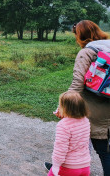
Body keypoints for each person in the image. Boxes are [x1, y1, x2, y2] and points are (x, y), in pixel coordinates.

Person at [47, 20, 110, 175]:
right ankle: (68, 167)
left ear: (80, 36)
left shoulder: (87, 52)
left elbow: (76, 85)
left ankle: (64, 168)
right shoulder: (107, 47)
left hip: (92, 111)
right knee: (94, 145)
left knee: (100, 149)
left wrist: (62, 107)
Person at [48, 91, 91, 176]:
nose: (58, 107)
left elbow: (60, 148)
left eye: (60, 105)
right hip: (85, 166)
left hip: (69, 168)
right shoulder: (85, 120)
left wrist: (56, 166)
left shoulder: (64, 125)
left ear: (65, 108)